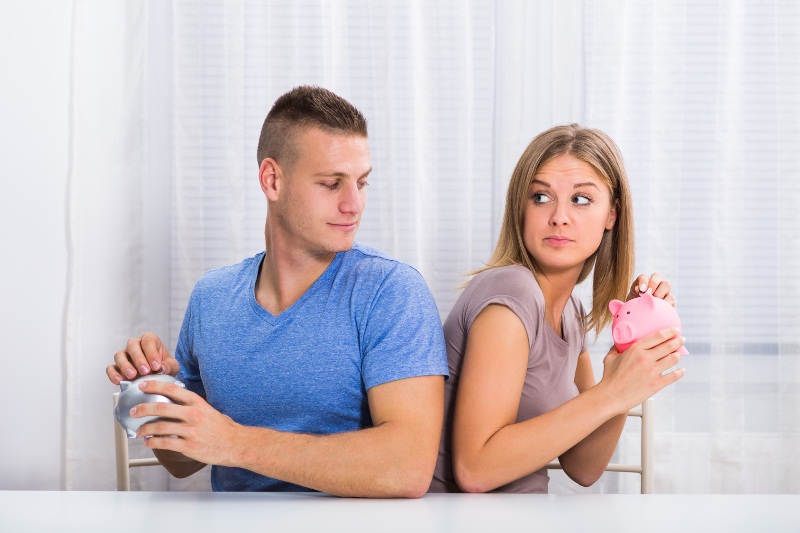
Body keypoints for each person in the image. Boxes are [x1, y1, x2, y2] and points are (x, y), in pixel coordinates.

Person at [106, 86, 448, 497]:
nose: (354, 204)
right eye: (332, 183)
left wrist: (236, 443)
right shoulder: (211, 298)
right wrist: (153, 392)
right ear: (272, 180)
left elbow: (407, 468)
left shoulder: (391, 292)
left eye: (361, 182)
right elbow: (184, 461)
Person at [428, 124, 685, 493]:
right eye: (540, 197)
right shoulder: (511, 292)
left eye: (581, 199)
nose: (559, 217)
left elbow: (583, 466)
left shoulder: (571, 313)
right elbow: (475, 468)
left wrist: (625, 364)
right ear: (521, 207)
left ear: (611, 215)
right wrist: (610, 393)